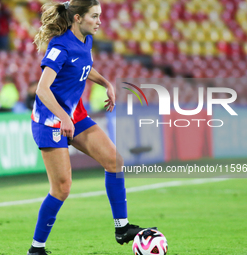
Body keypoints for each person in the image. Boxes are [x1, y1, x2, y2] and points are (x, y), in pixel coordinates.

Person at [28, 1, 155, 255]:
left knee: (114, 161)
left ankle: (122, 228)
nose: (99, 21)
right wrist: (63, 117)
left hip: (74, 115)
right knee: (62, 188)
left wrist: (105, 82)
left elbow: (82, 66)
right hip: (50, 120)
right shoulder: (59, 46)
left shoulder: (85, 41)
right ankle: (36, 249)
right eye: (94, 16)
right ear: (77, 18)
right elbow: (42, 89)